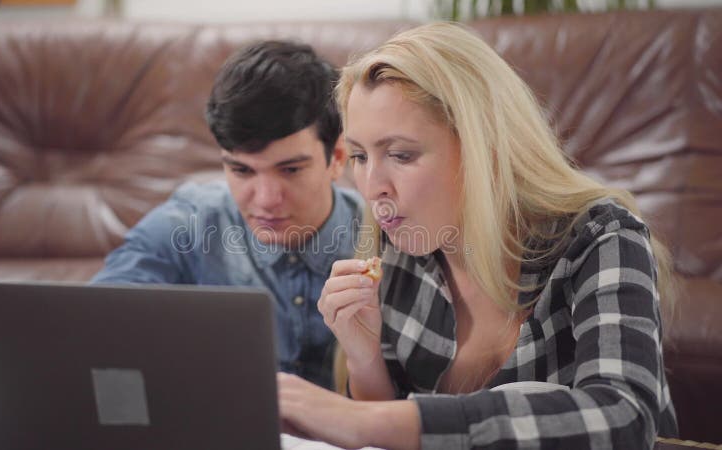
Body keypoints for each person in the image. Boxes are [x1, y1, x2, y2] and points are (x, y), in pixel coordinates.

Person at [277, 22, 678, 449]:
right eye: (358, 155)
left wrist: (363, 421)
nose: (372, 185)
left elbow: (626, 418)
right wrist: (365, 358)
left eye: (400, 154)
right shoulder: (393, 245)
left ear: (484, 147)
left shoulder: (601, 238)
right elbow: (383, 431)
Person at [92, 40, 362, 390]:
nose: (265, 201)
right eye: (241, 170)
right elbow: (94, 320)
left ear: (338, 157)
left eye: (290, 170)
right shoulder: (190, 222)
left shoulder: (386, 237)